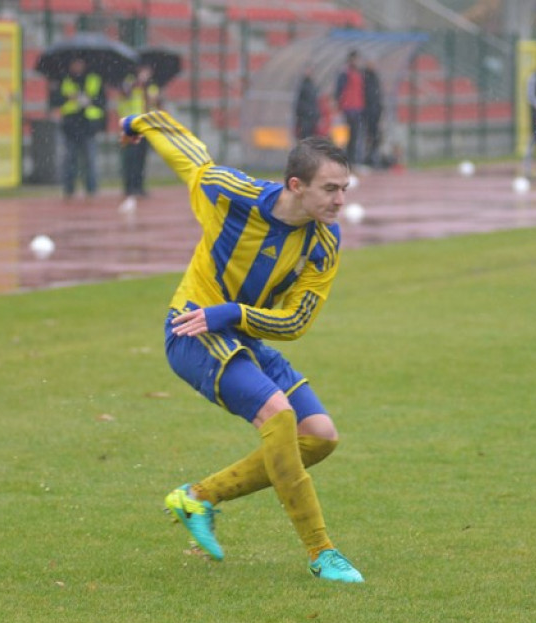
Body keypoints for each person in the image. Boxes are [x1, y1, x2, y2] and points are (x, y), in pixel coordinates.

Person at [119, 109, 364, 583]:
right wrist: (140, 122)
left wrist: (233, 314)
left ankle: (198, 496)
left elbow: (297, 321)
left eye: (345, 190)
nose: (340, 201)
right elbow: (194, 160)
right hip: (193, 329)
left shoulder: (324, 243)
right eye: (330, 190)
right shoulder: (233, 195)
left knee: (320, 435)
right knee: (279, 415)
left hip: (239, 332)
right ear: (296, 185)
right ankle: (322, 552)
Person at [51, 57, 106, 200]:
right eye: (74, 64)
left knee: (90, 160)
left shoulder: (94, 79)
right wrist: (70, 98)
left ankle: (91, 189)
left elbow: (102, 102)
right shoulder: (65, 80)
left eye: (80, 63)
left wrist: (89, 101)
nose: (77, 66)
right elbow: (55, 100)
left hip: (88, 127)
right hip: (70, 126)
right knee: (70, 160)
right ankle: (69, 189)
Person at [117, 63, 161, 213]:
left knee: (141, 158)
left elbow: (155, 103)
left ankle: (139, 186)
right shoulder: (130, 83)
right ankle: (129, 187)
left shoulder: (151, 87)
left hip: (145, 128)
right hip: (131, 126)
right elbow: (124, 95)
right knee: (130, 157)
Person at [334, 49, 366, 165]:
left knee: (355, 135)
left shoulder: (360, 73)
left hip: (358, 108)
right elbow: (339, 91)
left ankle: (352, 161)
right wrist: (340, 105)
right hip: (348, 108)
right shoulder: (345, 73)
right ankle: (345, 160)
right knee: (346, 136)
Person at [362, 61, 383, 166]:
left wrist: (379, 110)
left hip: (375, 112)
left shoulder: (375, 77)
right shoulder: (364, 77)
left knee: (375, 136)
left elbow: (378, 96)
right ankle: (366, 158)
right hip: (366, 113)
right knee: (366, 136)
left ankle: (374, 157)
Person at [294, 67, 321, 141]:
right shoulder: (304, 86)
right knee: (306, 136)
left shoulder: (311, 85)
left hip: (310, 115)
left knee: (308, 137)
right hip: (306, 116)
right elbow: (300, 102)